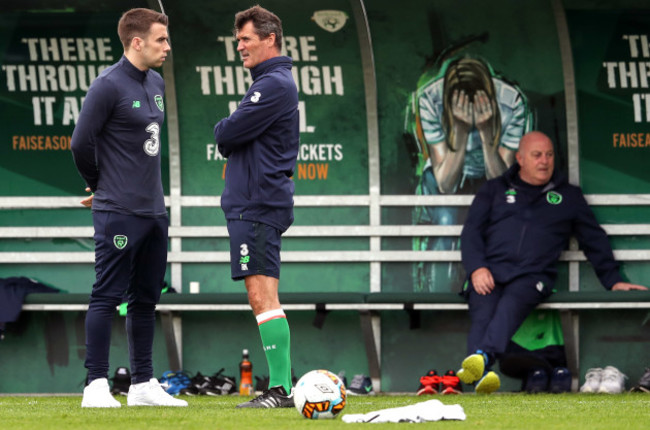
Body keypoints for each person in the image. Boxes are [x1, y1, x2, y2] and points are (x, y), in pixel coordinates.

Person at [456, 130, 647, 394]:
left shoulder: (568, 196)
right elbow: (471, 233)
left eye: (549, 155)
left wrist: (613, 281)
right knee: (483, 311)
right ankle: (480, 377)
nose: (544, 161)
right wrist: (477, 267)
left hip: (533, 276)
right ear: (520, 158)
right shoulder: (494, 190)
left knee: (510, 306)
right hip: (491, 271)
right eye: (537, 155)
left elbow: (594, 239)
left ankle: (483, 359)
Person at [71, 8, 186, 408]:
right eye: (161, 40)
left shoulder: (155, 81)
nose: (167, 47)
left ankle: (142, 384)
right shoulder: (107, 85)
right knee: (107, 295)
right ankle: (95, 385)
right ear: (136, 42)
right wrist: (101, 185)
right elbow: (80, 143)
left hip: (154, 212)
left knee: (145, 299)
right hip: (117, 211)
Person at [213, 5, 299, 409]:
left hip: (258, 203)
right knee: (259, 294)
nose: (240, 47)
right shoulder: (266, 81)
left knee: (262, 296)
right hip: (253, 203)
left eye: (246, 39)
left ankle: (280, 389)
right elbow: (234, 135)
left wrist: (227, 132)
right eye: (238, 41)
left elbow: (228, 132)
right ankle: (281, 388)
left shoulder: (276, 83)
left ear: (270, 39)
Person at [407, 55, 533, 292]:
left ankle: (494, 297)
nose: (472, 118)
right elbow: (445, 184)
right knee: (446, 222)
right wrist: (460, 131)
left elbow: (502, 181)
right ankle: (439, 301)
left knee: (503, 227)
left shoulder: (511, 102)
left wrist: (487, 135)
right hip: (446, 171)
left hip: (492, 172)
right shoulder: (430, 100)